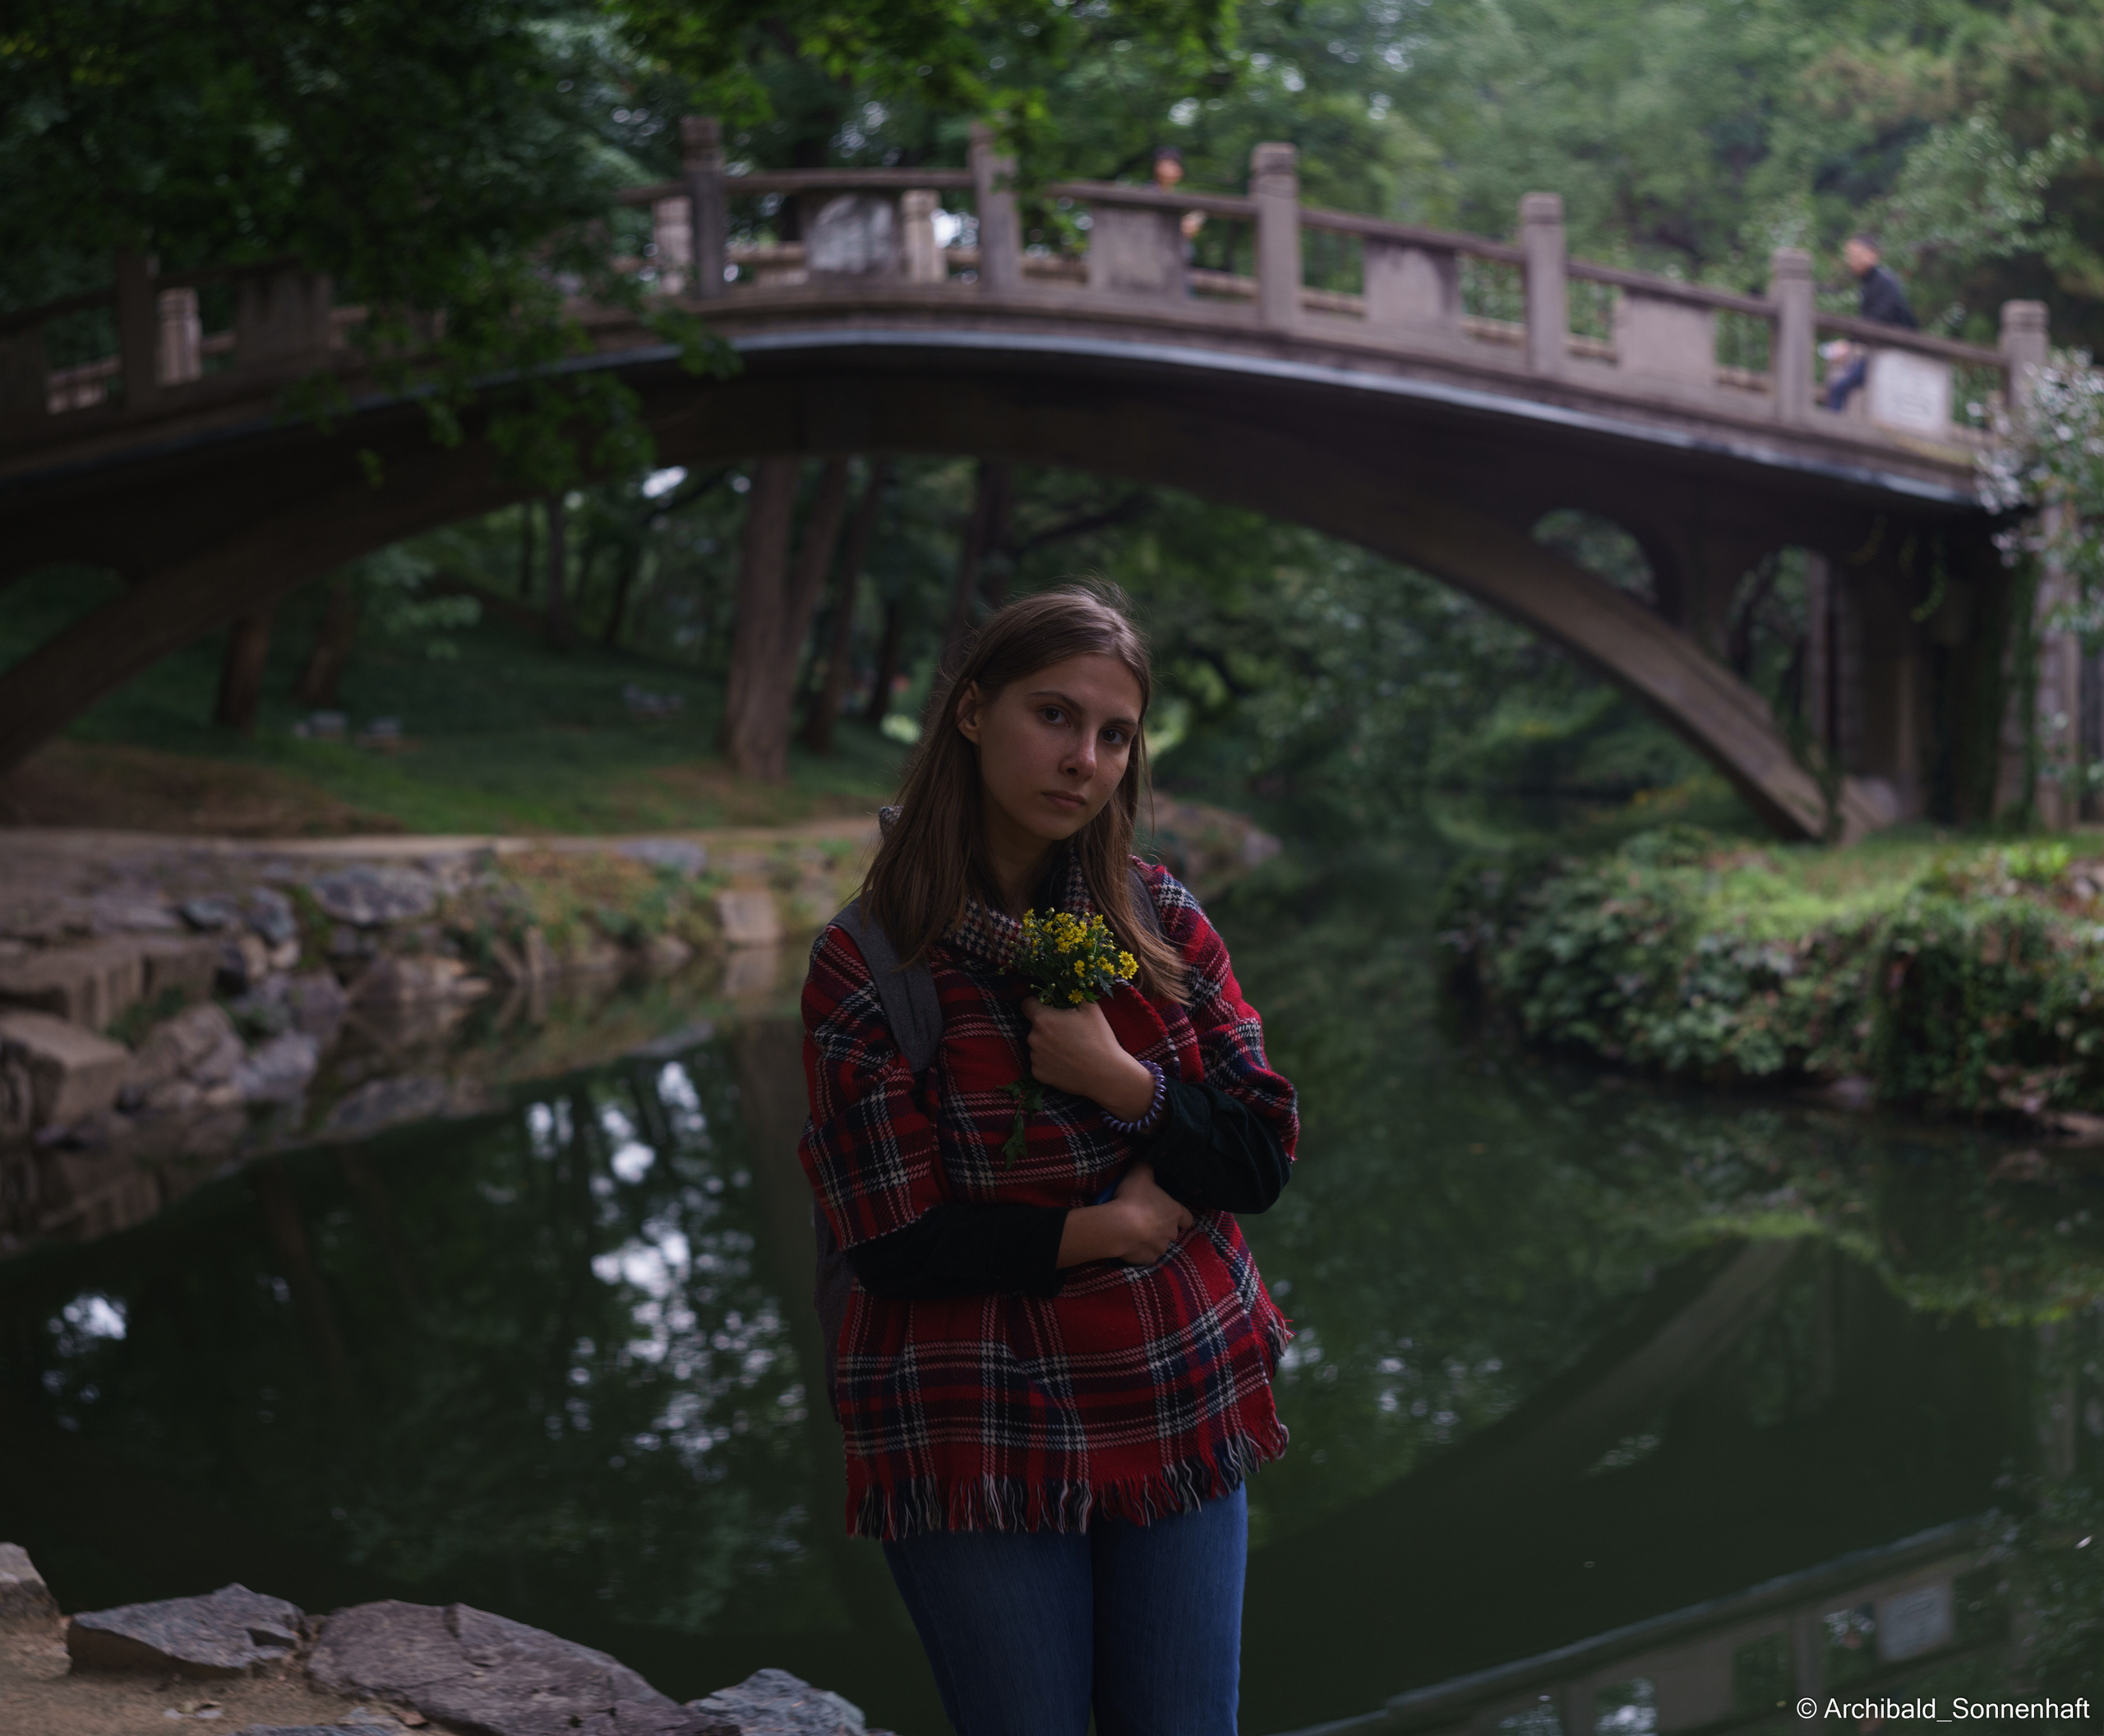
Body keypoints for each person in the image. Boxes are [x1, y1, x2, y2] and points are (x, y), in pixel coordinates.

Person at [797, 584, 1297, 1736]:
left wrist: (1123, 1081)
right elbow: (894, 1242)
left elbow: (1259, 1153)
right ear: (973, 712)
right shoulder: (870, 965)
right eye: (1054, 715)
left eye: (1114, 735)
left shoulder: (1160, 919)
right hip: (976, 1424)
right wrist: (1109, 1231)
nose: (1083, 760)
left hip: (1175, 1392)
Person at [1822, 233, 1917, 413]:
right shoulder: (1871, 283)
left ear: (1872, 254)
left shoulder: (1885, 282)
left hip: (1895, 355)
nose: (1852, 260)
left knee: (1839, 389)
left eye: (1856, 255)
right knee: (1839, 388)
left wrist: (1849, 344)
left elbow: (1876, 320)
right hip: (1880, 353)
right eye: (1850, 256)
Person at [1153, 145, 1207, 249]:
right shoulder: (1148, 193)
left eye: (1174, 165)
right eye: (1167, 164)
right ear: (1156, 167)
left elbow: (1196, 219)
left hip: (1175, 248)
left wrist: (1193, 223)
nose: (1171, 169)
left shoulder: (1179, 195)